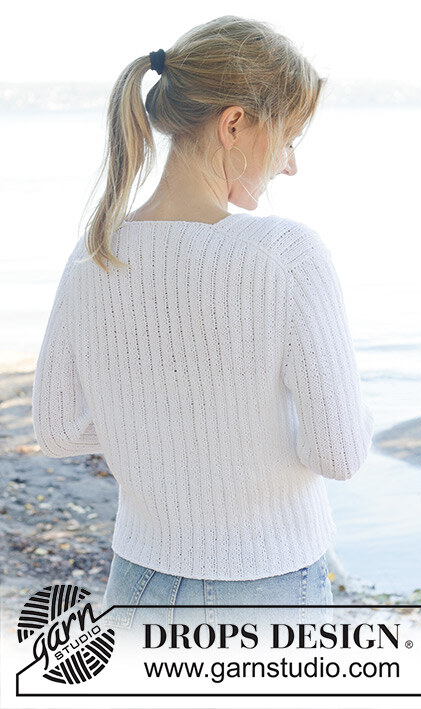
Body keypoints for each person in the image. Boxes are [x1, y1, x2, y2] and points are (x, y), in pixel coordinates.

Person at [31, 15, 374, 640]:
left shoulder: (96, 251)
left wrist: (162, 436)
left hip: (136, 582)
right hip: (266, 589)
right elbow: (340, 453)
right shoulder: (285, 255)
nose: (291, 165)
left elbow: (56, 430)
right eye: (290, 139)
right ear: (234, 123)